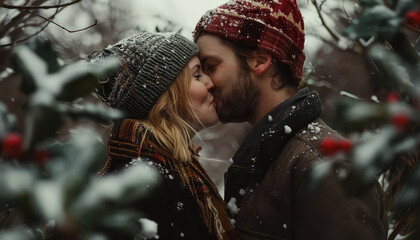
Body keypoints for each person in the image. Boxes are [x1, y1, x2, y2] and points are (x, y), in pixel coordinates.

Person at [193, 0, 388, 239]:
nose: (206, 82)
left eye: (211, 66)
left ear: (261, 61)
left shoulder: (326, 167)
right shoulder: (271, 156)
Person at [90, 32, 237, 240]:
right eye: (197, 75)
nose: (210, 82)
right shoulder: (144, 185)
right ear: (166, 97)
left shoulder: (171, 168)